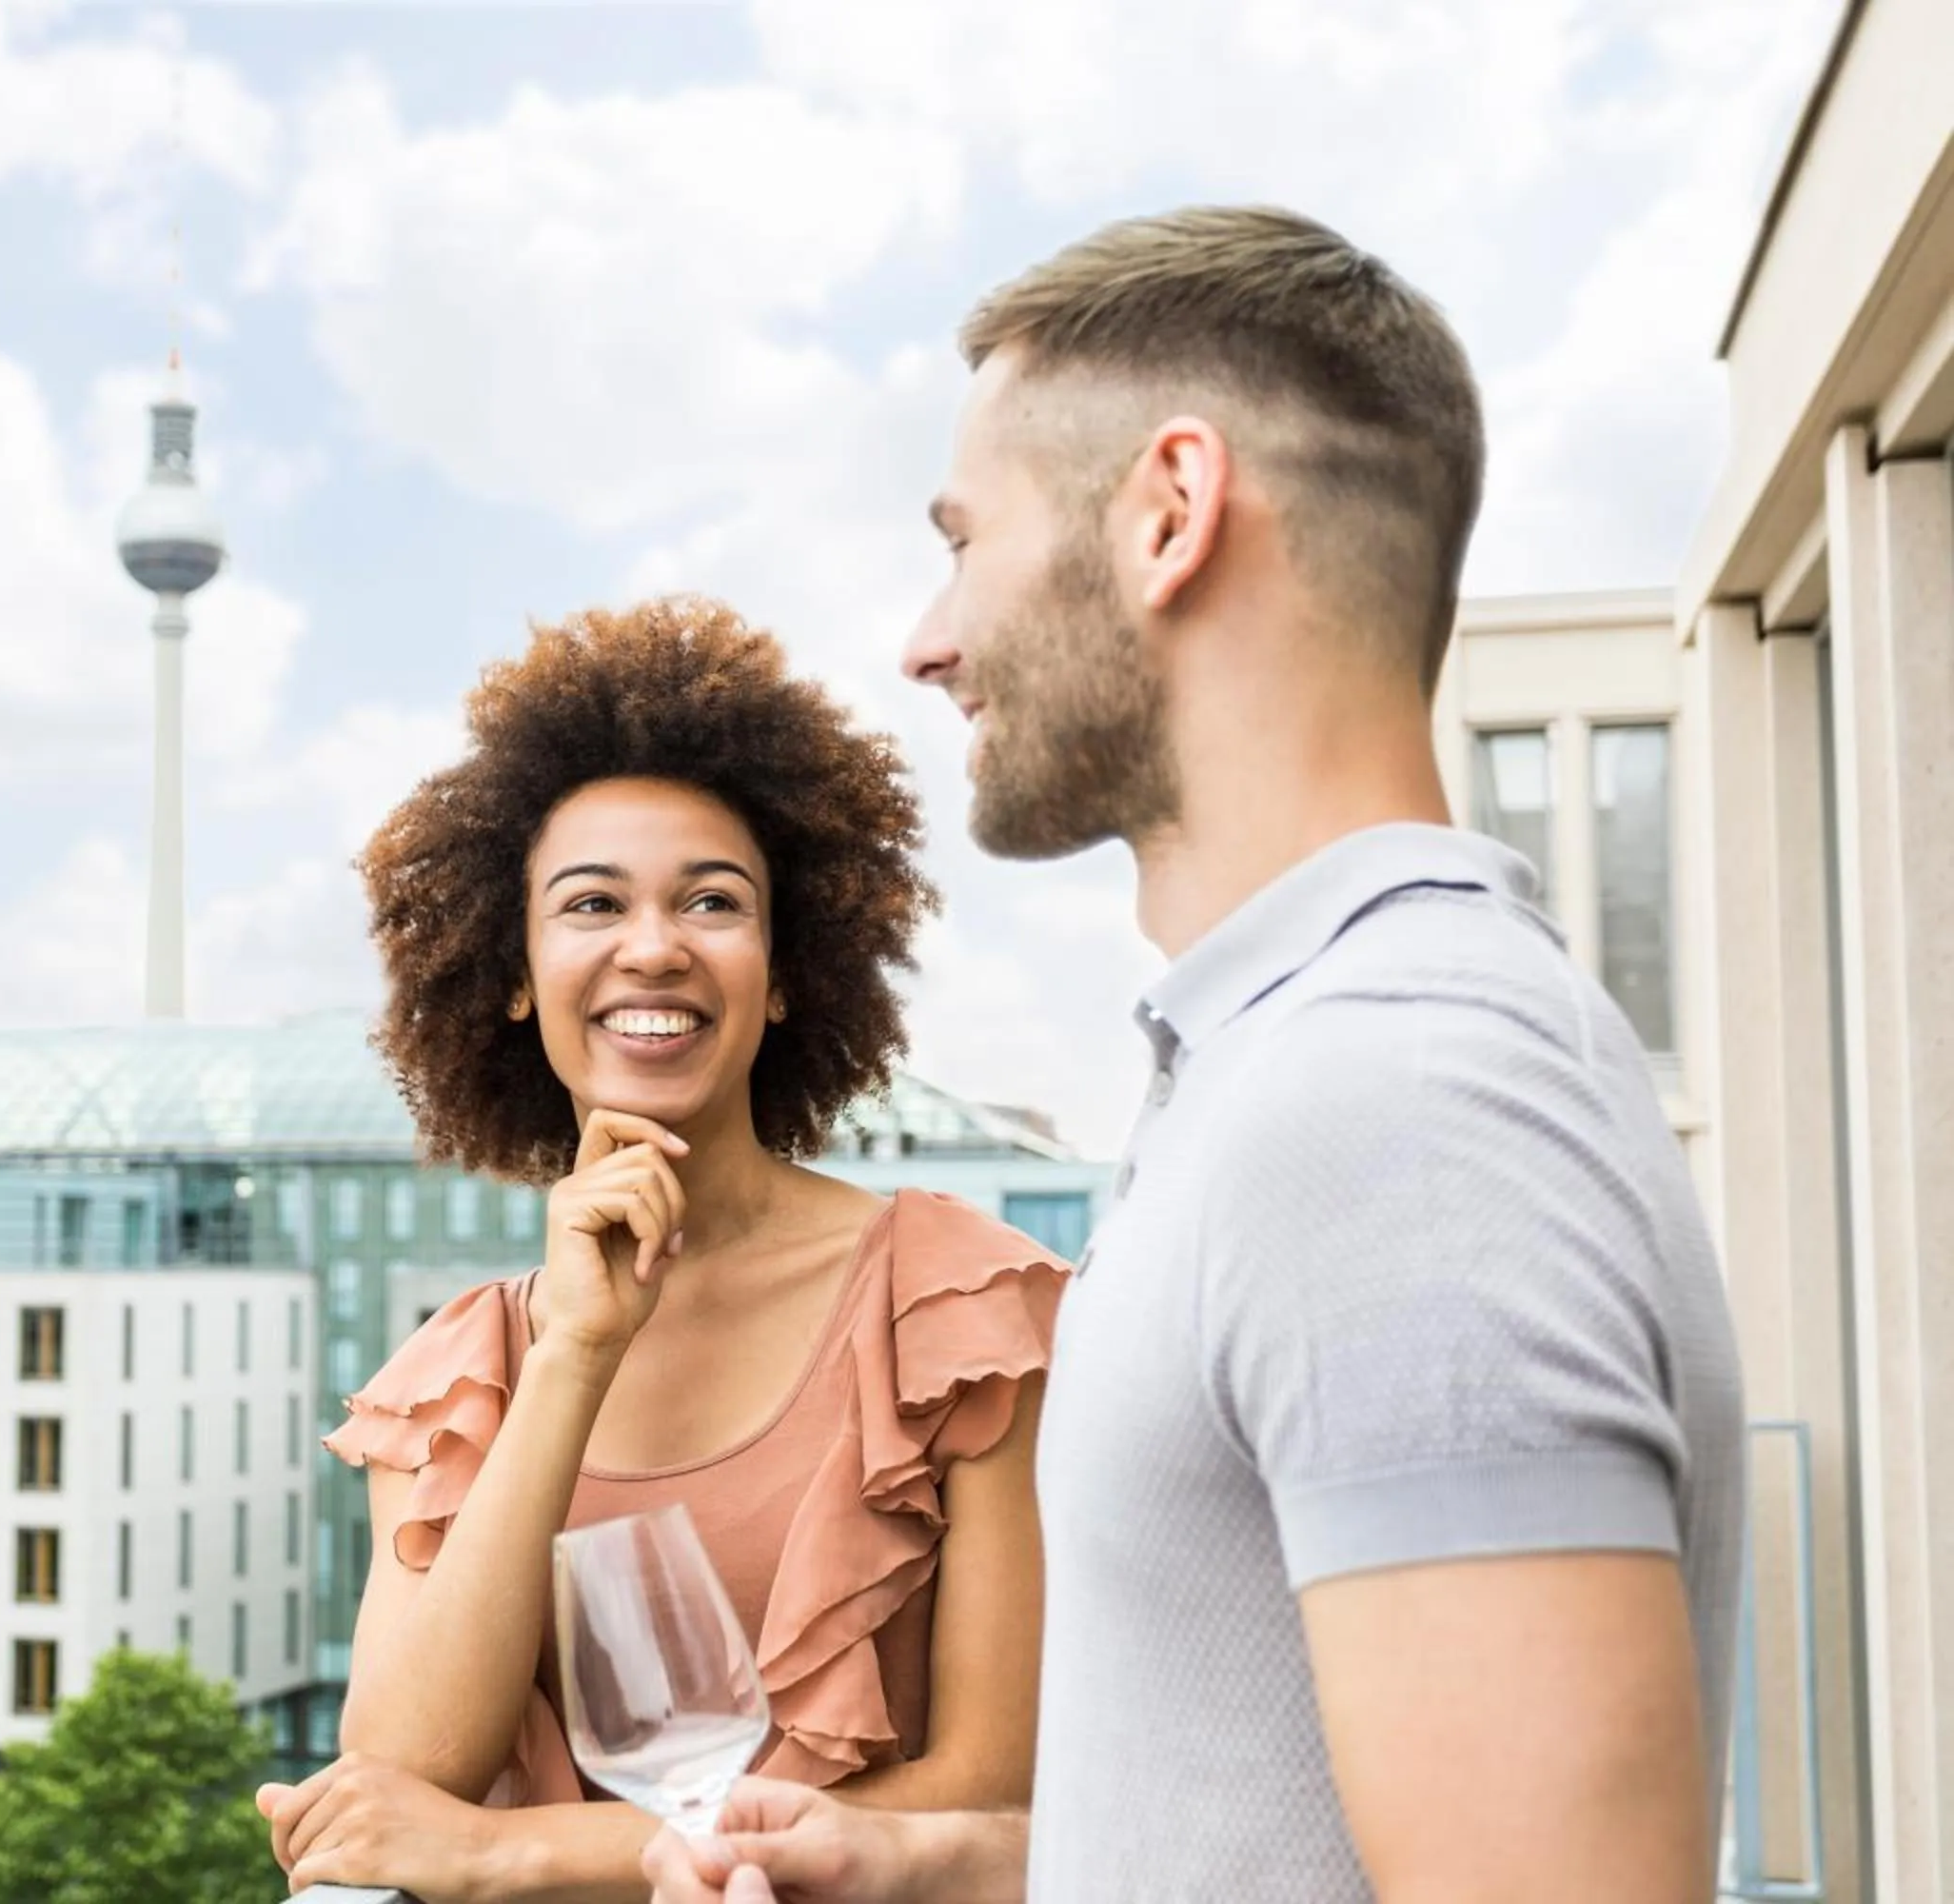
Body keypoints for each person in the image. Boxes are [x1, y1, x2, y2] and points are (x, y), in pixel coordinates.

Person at [646, 205, 1747, 1904]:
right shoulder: (1295, 1069)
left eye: (965, 541)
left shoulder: (1397, 1107)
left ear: (1170, 513)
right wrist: (927, 1870)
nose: (926, 640)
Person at [258, 599, 1070, 1901]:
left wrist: (512, 1857)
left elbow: (991, 1803)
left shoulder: (961, 1308)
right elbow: (403, 1780)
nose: (654, 947)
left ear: (785, 968)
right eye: (590, 905)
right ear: (514, 971)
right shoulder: (458, 1374)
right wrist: (573, 1353)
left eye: (713, 901)